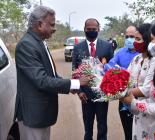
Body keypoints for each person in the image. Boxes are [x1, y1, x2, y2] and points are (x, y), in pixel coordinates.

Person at [14, 6, 91, 140]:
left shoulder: (38, 42)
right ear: (39, 25)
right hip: (33, 115)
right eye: (52, 25)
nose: (54, 29)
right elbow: (42, 80)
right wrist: (76, 82)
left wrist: (72, 86)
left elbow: (51, 76)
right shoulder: (27, 45)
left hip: (41, 114)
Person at [72, 18, 113, 140]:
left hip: (102, 94)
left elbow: (112, 70)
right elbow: (74, 72)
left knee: (102, 126)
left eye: (93, 29)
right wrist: (79, 91)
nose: (91, 31)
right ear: (84, 29)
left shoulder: (107, 46)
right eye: (88, 29)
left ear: (98, 29)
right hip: (86, 95)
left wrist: (110, 90)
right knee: (88, 127)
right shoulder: (77, 48)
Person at [104, 26, 139, 140]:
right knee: (128, 132)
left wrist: (121, 71)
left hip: (140, 98)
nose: (129, 39)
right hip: (124, 99)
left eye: (132, 37)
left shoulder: (143, 53)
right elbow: (109, 66)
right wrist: (124, 72)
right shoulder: (121, 52)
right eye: (127, 37)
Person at [126, 23, 155, 140]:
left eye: (138, 39)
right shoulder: (136, 59)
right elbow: (126, 78)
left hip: (149, 111)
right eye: (134, 38)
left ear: (148, 40)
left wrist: (125, 94)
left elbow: (148, 89)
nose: (135, 42)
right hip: (136, 110)